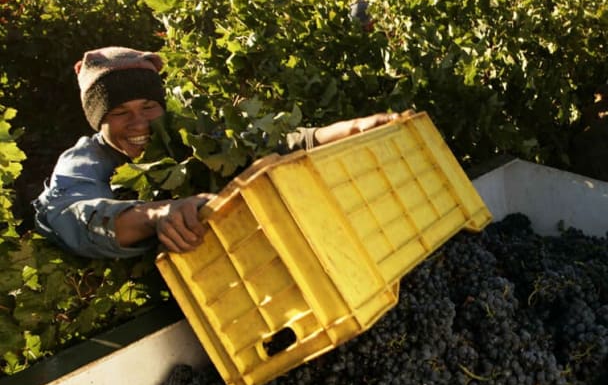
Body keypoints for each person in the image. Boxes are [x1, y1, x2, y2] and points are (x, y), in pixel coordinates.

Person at [33, 46, 405, 259]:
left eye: (149, 107)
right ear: (97, 120)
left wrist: (353, 129)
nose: (139, 124)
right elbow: (72, 216)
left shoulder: (188, 137)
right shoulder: (84, 162)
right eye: (119, 113)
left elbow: (277, 144)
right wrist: (157, 215)